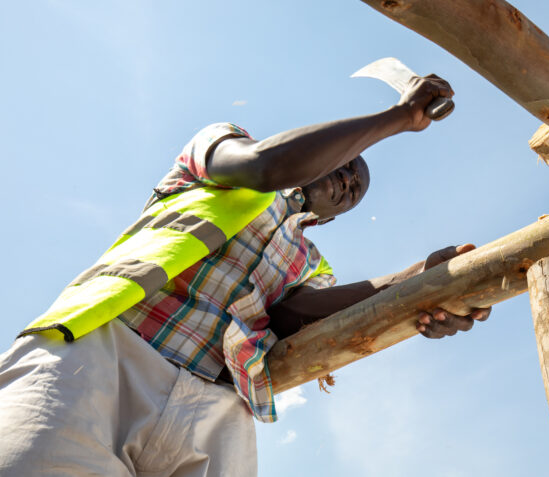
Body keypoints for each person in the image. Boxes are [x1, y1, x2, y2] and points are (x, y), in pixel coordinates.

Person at [0, 74, 490, 476]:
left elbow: (290, 317)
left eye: (357, 189)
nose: (351, 180)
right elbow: (266, 166)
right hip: (105, 358)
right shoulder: (219, 157)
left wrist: (424, 282)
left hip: (216, 412)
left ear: (335, 218)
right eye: (348, 163)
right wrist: (399, 118)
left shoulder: (311, 261)